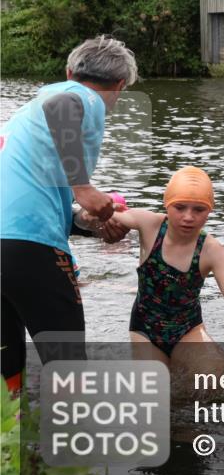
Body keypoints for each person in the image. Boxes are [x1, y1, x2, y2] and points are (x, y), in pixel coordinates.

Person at [1, 35, 137, 391]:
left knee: (7, 363)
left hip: (10, 245)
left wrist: (85, 221)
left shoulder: (25, 116)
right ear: (119, 85)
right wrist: (84, 187)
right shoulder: (82, 98)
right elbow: (63, 106)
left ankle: (13, 442)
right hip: (29, 248)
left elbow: (36, 198)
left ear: (69, 69)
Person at [83, 167, 224, 380]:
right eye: (179, 207)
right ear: (167, 204)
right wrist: (89, 214)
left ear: (210, 210)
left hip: (188, 330)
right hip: (145, 330)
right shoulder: (150, 225)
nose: (188, 217)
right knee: (153, 389)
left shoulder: (211, 251)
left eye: (198, 210)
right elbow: (99, 215)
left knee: (213, 379)